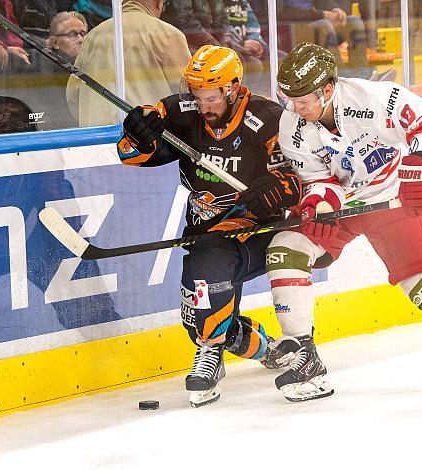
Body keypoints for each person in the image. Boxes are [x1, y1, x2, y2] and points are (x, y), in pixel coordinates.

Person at [264, 42, 422, 402]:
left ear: (327, 89)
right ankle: (305, 357)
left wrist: (418, 172)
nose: (295, 107)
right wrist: (320, 203)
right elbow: (317, 179)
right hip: (344, 207)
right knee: (284, 249)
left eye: (303, 99)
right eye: (289, 98)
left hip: (389, 201)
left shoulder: (373, 99)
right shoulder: (293, 123)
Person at [116, 45, 302, 406]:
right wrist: (138, 134)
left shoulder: (268, 118)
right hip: (210, 233)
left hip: (261, 233)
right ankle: (245, 349)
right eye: (196, 96)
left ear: (232, 87)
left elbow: (298, 181)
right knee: (201, 309)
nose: (204, 106)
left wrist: (278, 191)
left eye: (212, 97)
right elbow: (129, 155)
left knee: (208, 297)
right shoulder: (180, 113)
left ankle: (226, 346)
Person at [67, 0, 190, 127]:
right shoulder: (168, 35)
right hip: (150, 139)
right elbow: (187, 95)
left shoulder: (92, 37)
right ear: (159, 3)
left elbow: (74, 95)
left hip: (98, 137)